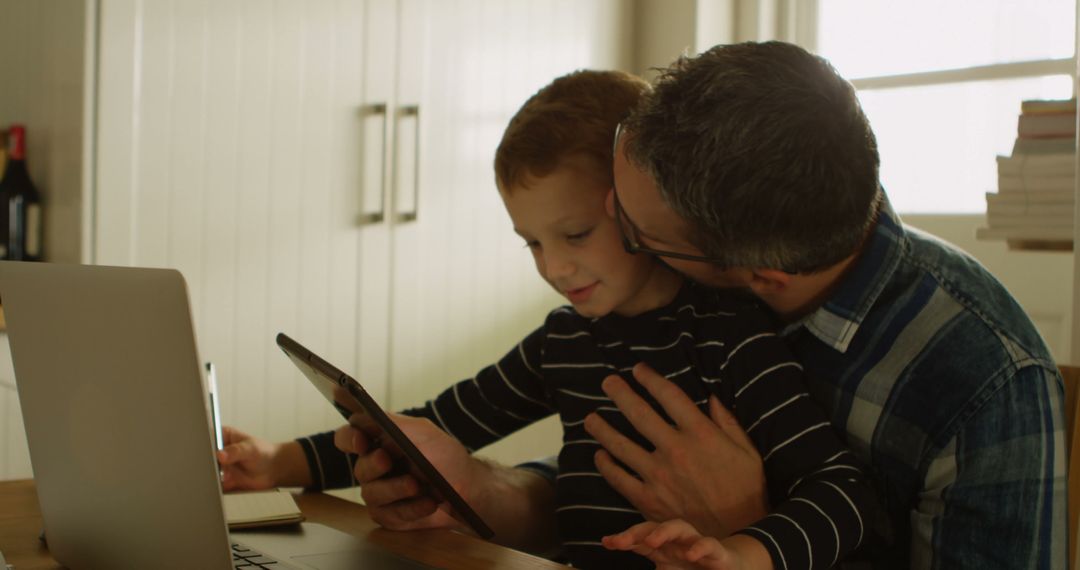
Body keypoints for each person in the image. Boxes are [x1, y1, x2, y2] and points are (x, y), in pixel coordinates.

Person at [332, 41, 1065, 569]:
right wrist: (485, 494)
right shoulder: (694, 280)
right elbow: (615, 481)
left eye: (636, 232)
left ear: (748, 274)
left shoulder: (984, 381)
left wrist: (750, 531)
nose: (572, 262)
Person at [219, 69, 876, 570]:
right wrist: (280, 463)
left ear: (641, 204)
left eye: (576, 233)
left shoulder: (730, 334)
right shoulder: (565, 339)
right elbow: (433, 426)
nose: (555, 268)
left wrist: (743, 555)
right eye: (532, 243)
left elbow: (841, 493)